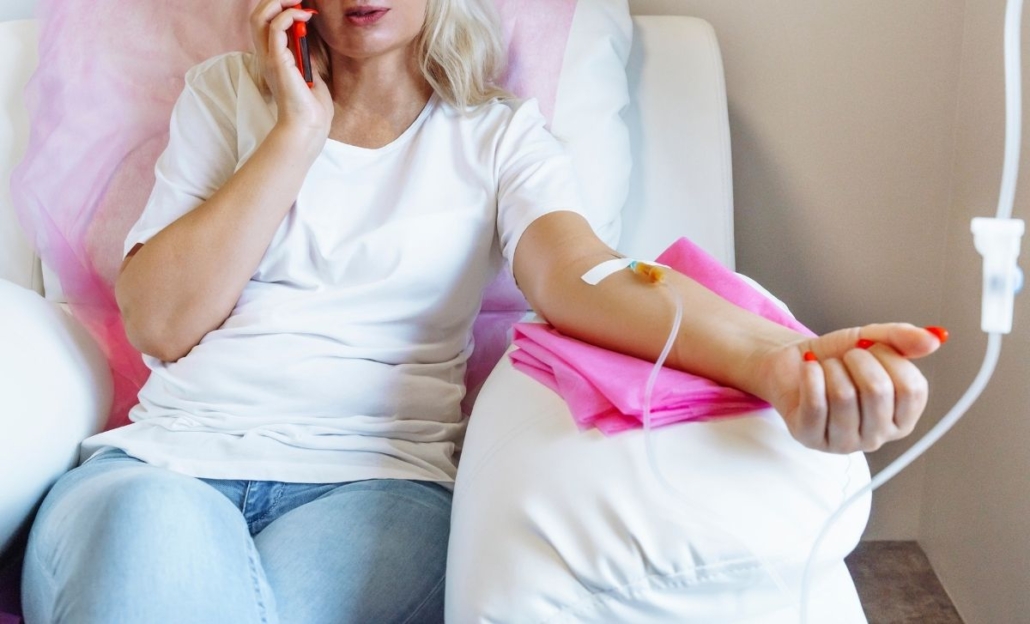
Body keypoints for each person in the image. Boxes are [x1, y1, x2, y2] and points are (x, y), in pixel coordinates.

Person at [20, 1, 943, 622]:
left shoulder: (499, 136)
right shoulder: (226, 99)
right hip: (166, 464)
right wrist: (297, 133)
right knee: (149, 540)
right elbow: (160, 322)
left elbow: (587, 274)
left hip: (378, 489)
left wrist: (775, 357)